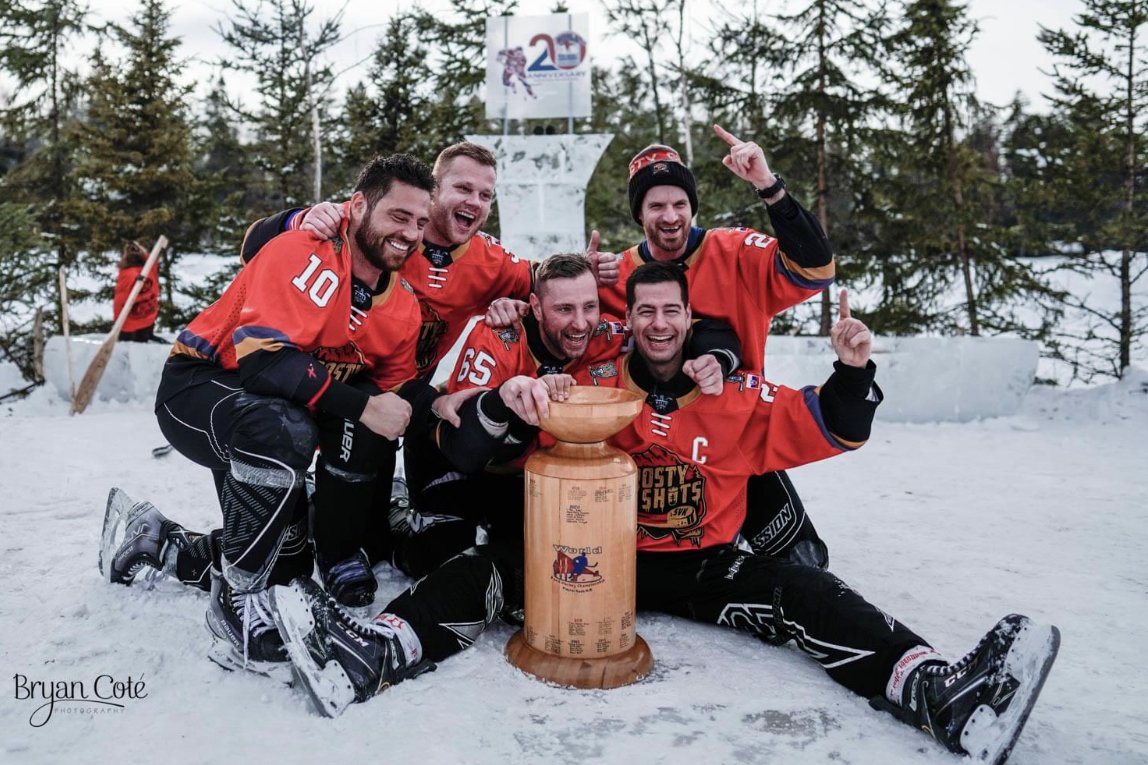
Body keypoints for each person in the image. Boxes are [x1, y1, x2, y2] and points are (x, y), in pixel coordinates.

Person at [268, 263, 1060, 765]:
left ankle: (939, 693)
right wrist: (504, 395)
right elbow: (485, 426)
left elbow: (838, 424)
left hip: (699, 564)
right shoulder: (594, 380)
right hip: (590, 562)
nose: (655, 322)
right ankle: (372, 653)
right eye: (643, 310)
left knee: (806, 591)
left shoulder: (734, 392)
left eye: (670, 311)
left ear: (687, 318)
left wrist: (853, 369)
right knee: (485, 570)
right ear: (631, 318)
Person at [101, 154, 490, 680]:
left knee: (289, 556)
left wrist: (436, 402)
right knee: (288, 428)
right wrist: (364, 405)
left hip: (277, 413)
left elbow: (394, 388)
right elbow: (264, 362)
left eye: (420, 223)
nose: (409, 233)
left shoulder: (401, 306)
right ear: (358, 206)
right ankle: (238, 599)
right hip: (202, 386)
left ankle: (162, 542)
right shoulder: (306, 250)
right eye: (398, 216)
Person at [486, 125, 835, 568]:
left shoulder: (735, 250)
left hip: (735, 430)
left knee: (806, 561)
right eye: (655, 206)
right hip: (653, 443)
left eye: (679, 204)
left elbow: (815, 269)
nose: (669, 216)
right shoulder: (618, 275)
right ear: (640, 214)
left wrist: (769, 186)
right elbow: (565, 319)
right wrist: (517, 306)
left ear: (692, 206)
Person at [393, 252, 737, 580]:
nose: (580, 323)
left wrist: (717, 358)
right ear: (536, 307)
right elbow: (465, 449)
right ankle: (398, 518)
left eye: (590, 306)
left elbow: (697, 330)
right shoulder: (497, 336)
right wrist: (509, 398)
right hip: (451, 457)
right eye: (564, 309)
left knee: (537, 565)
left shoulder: (603, 333)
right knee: (437, 561)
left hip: (518, 471)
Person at [242, 141, 534, 381]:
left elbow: (550, 289)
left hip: (400, 387)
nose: (475, 202)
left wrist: (513, 306)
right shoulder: (372, 221)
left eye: (485, 195)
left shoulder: (491, 260)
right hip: (313, 373)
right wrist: (296, 219)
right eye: (463, 188)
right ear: (434, 190)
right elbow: (253, 247)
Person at [113, 240, 163, 342]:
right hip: (128, 319)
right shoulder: (126, 272)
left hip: (145, 318)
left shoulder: (149, 266)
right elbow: (122, 295)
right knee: (127, 343)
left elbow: (150, 258)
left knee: (141, 342)